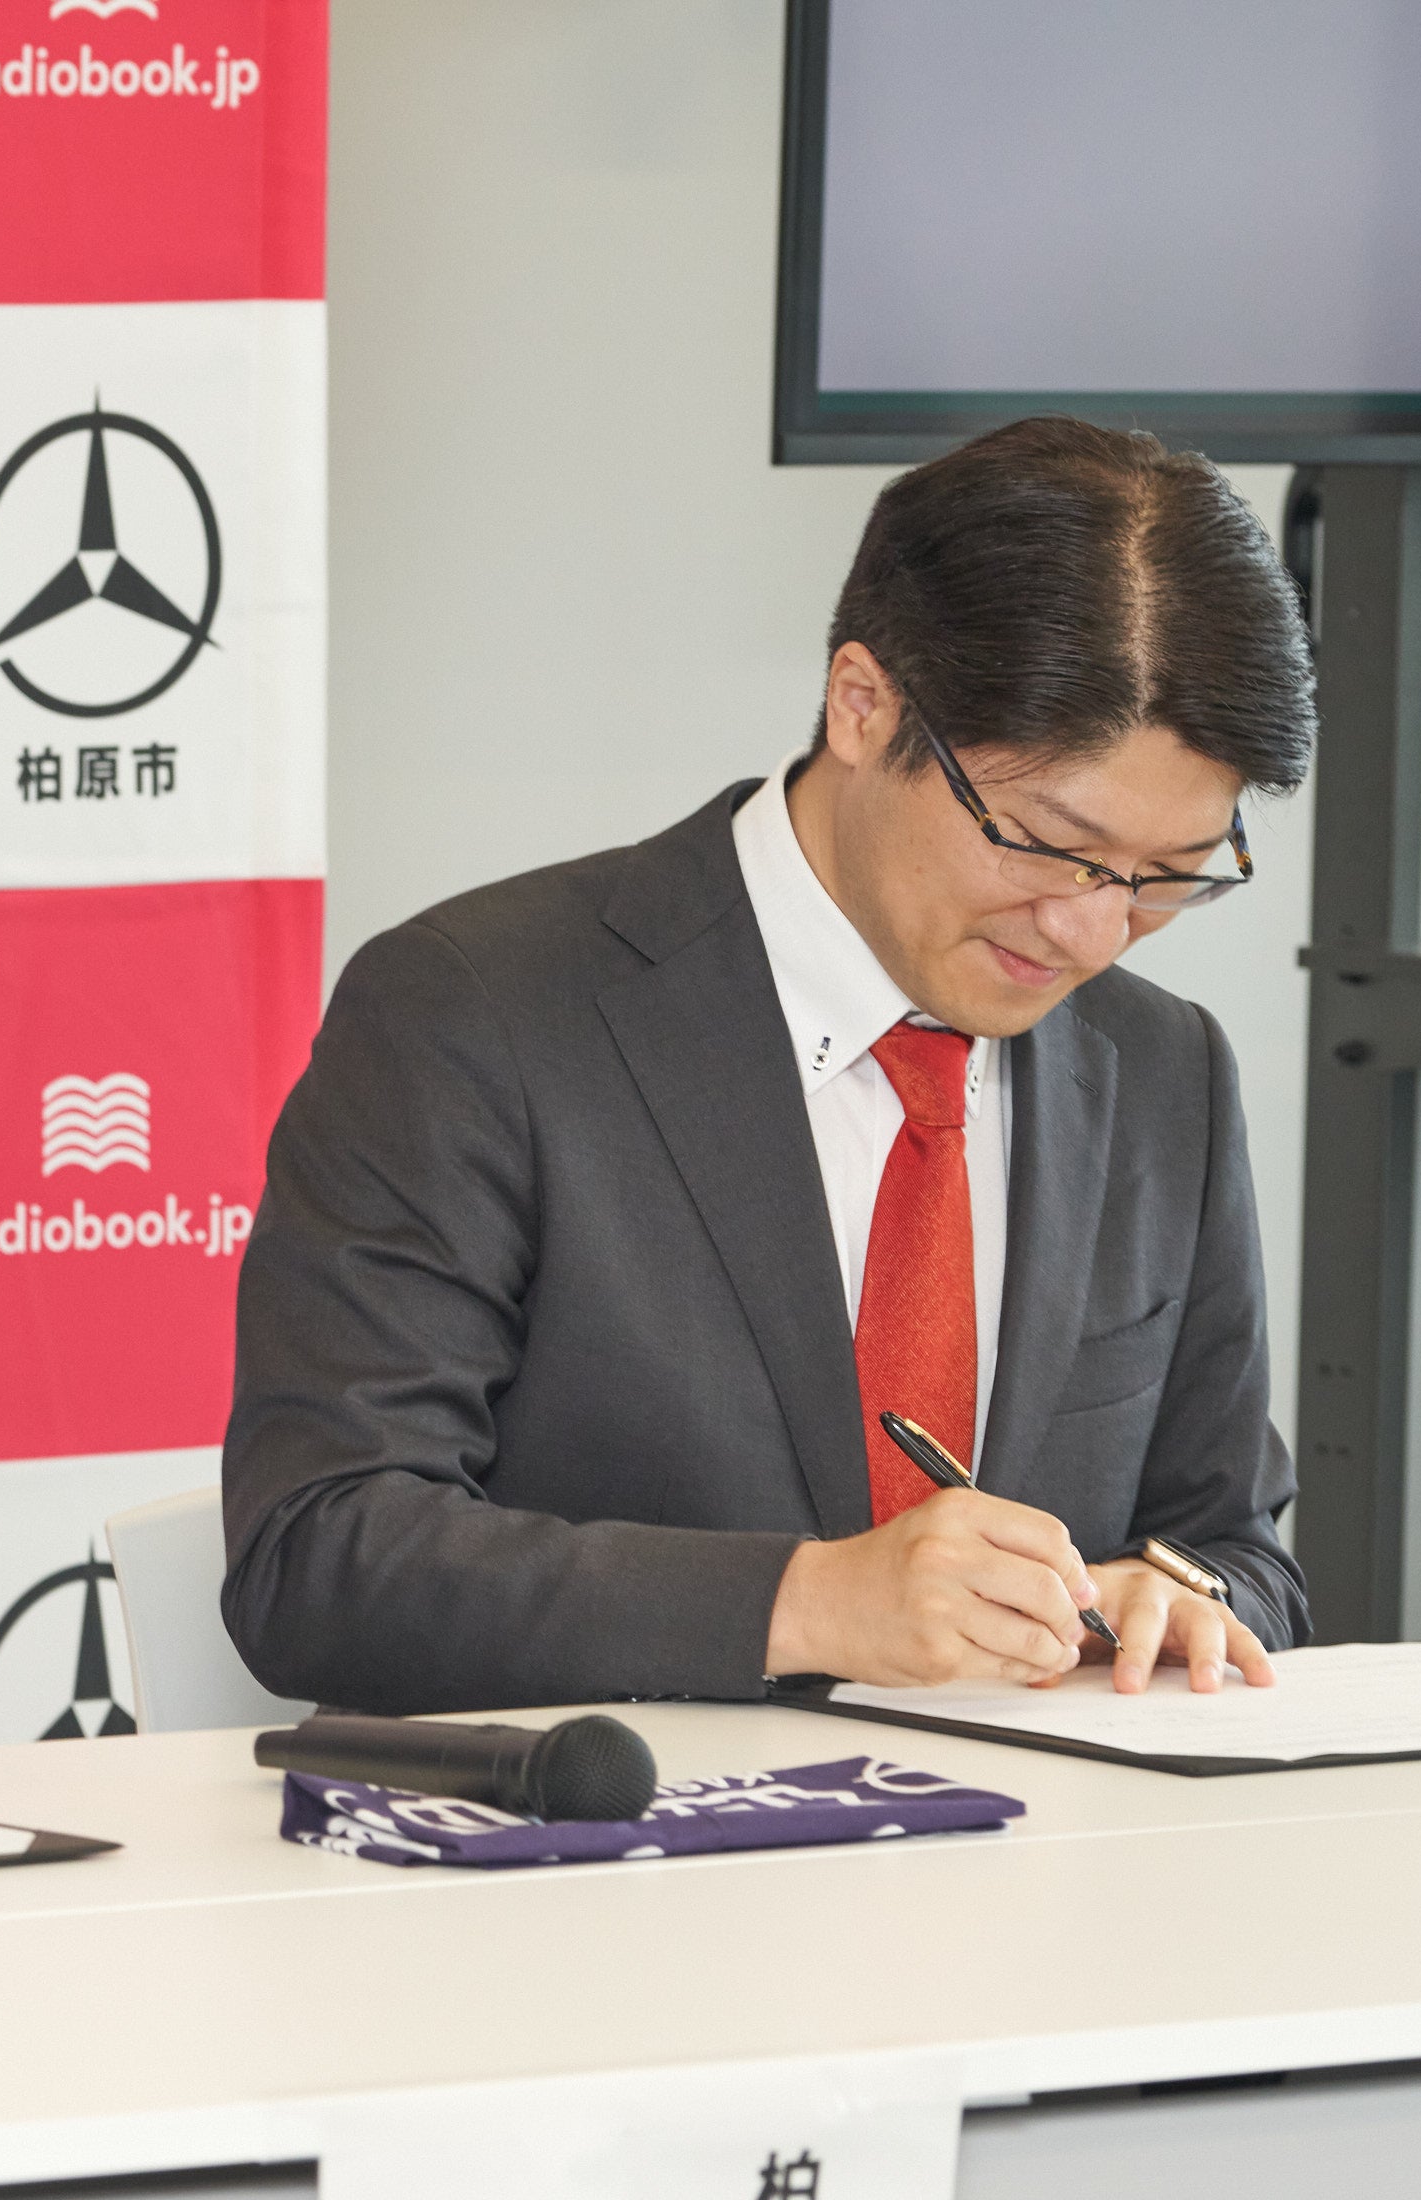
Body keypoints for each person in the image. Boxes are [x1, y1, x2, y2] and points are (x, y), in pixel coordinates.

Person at [225, 416, 1312, 1716]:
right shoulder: (479, 1015)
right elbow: (321, 1557)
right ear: (864, 704)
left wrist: (1174, 1601)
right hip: (597, 1831)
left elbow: (1239, 1548)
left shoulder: (1164, 1070)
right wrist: (811, 1603)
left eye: (1168, 876)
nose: (1090, 933)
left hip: (1035, 1837)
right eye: (1043, 842)